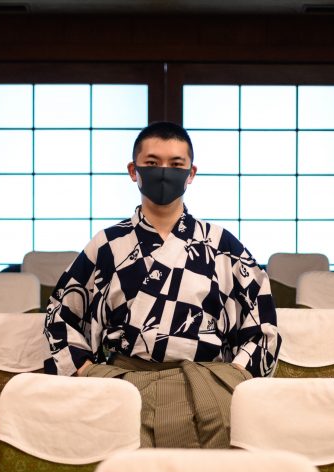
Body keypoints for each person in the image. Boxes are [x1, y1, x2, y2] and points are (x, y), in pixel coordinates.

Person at [43, 121, 280, 448]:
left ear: (191, 172)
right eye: (152, 164)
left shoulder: (222, 245)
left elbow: (261, 322)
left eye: (176, 164)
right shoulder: (108, 245)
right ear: (133, 170)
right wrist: (83, 370)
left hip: (206, 384)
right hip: (123, 386)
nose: (164, 173)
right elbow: (60, 312)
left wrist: (236, 375)